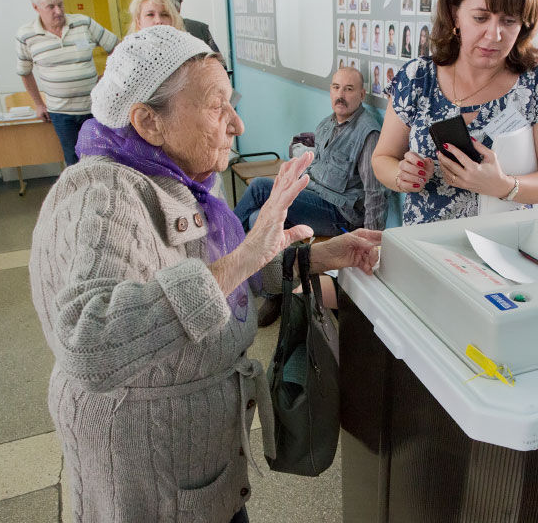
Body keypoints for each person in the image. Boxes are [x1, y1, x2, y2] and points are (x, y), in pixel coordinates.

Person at [29, 26, 381, 523]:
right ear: (149, 121)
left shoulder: (175, 177)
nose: (237, 123)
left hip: (196, 461)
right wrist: (246, 253)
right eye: (218, 107)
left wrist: (319, 257)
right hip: (149, 475)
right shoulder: (102, 193)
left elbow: (217, 275)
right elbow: (88, 342)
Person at [372, 0, 538, 225]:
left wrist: (504, 186)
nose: (494, 35)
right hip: (425, 241)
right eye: (480, 18)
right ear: (455, 13)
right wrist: (401, 176)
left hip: (503, 241)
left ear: (524, 24)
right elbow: (382, 157)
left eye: (509, 21)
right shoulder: (417, 77)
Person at [234, 66, 388, 237]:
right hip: (313, 197)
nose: (340, 95)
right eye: (336, 87)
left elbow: (375, 192)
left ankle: (224, 243)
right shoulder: (326, 124)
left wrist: (371, 241)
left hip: (339, 214)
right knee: (255, 219)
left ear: (362, 95)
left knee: (260, 187)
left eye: (349, 89)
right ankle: (239, 247)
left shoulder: (368, 134)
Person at [15, 0, 118, 166]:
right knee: (74, 161)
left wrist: (106, 78)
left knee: (103, 158)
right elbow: (25, 72)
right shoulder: (26, 35)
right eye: (51, 7)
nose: (58, 11)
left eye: (60, 4)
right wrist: (38, 104)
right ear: (36, 8)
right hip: (61, 113)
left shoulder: (83, 23)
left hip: (94, 108)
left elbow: (117, 48)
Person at [154, 0, 221, 52]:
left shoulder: (199, 29)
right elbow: (217, 57)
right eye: (150, 14)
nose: (158, 20)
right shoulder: (200, 28)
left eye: (165, 13)